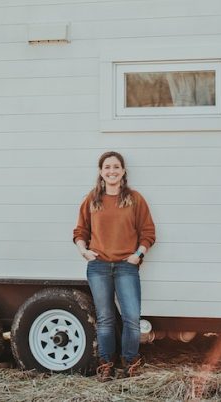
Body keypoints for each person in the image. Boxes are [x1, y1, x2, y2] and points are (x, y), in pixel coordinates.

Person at [73, 150, 156, 380]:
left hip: (126, 266)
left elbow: (148, 232)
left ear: (123, 171)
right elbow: (80, 231)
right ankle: (106, 363)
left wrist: (138, 254)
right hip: (98, 267)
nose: (112, 171)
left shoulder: (135, 199)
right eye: (107, 167)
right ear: (101, 172)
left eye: (116, 167)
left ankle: (130, 362)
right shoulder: (92, 199)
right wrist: (84, 251)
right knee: (105, 318)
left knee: (131, 317)